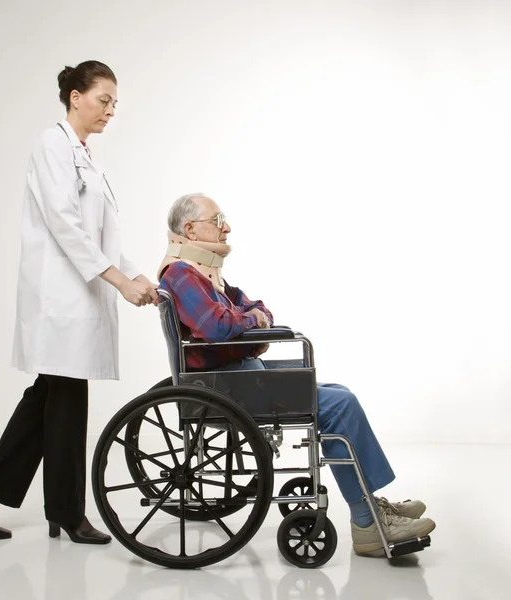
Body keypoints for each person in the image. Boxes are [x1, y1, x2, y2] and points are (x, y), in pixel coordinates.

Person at [158, 193, 436, 557]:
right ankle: (368, 521)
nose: (226, 227)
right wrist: (251, 325)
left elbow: (257, 307)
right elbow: (218, 326)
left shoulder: (205, 275)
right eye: (218, 218)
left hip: (238, 377)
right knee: (339, 405)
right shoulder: (181, 273)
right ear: (189, 228)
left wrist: (252, 322)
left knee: (338, 393)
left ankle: (371, 505)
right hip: (226, 388)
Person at [0, 61, 158, 545]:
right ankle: (65, 511)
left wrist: (133, 274)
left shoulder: (88, 158)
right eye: (103, 99)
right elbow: (66, 224)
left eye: (114, 103)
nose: (110, 110)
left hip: (81, 293)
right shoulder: (52, 145)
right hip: (60, 296)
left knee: (51, 398)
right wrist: (117, 281)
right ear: (74, 97)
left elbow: (103, 234)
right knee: (64, 401)